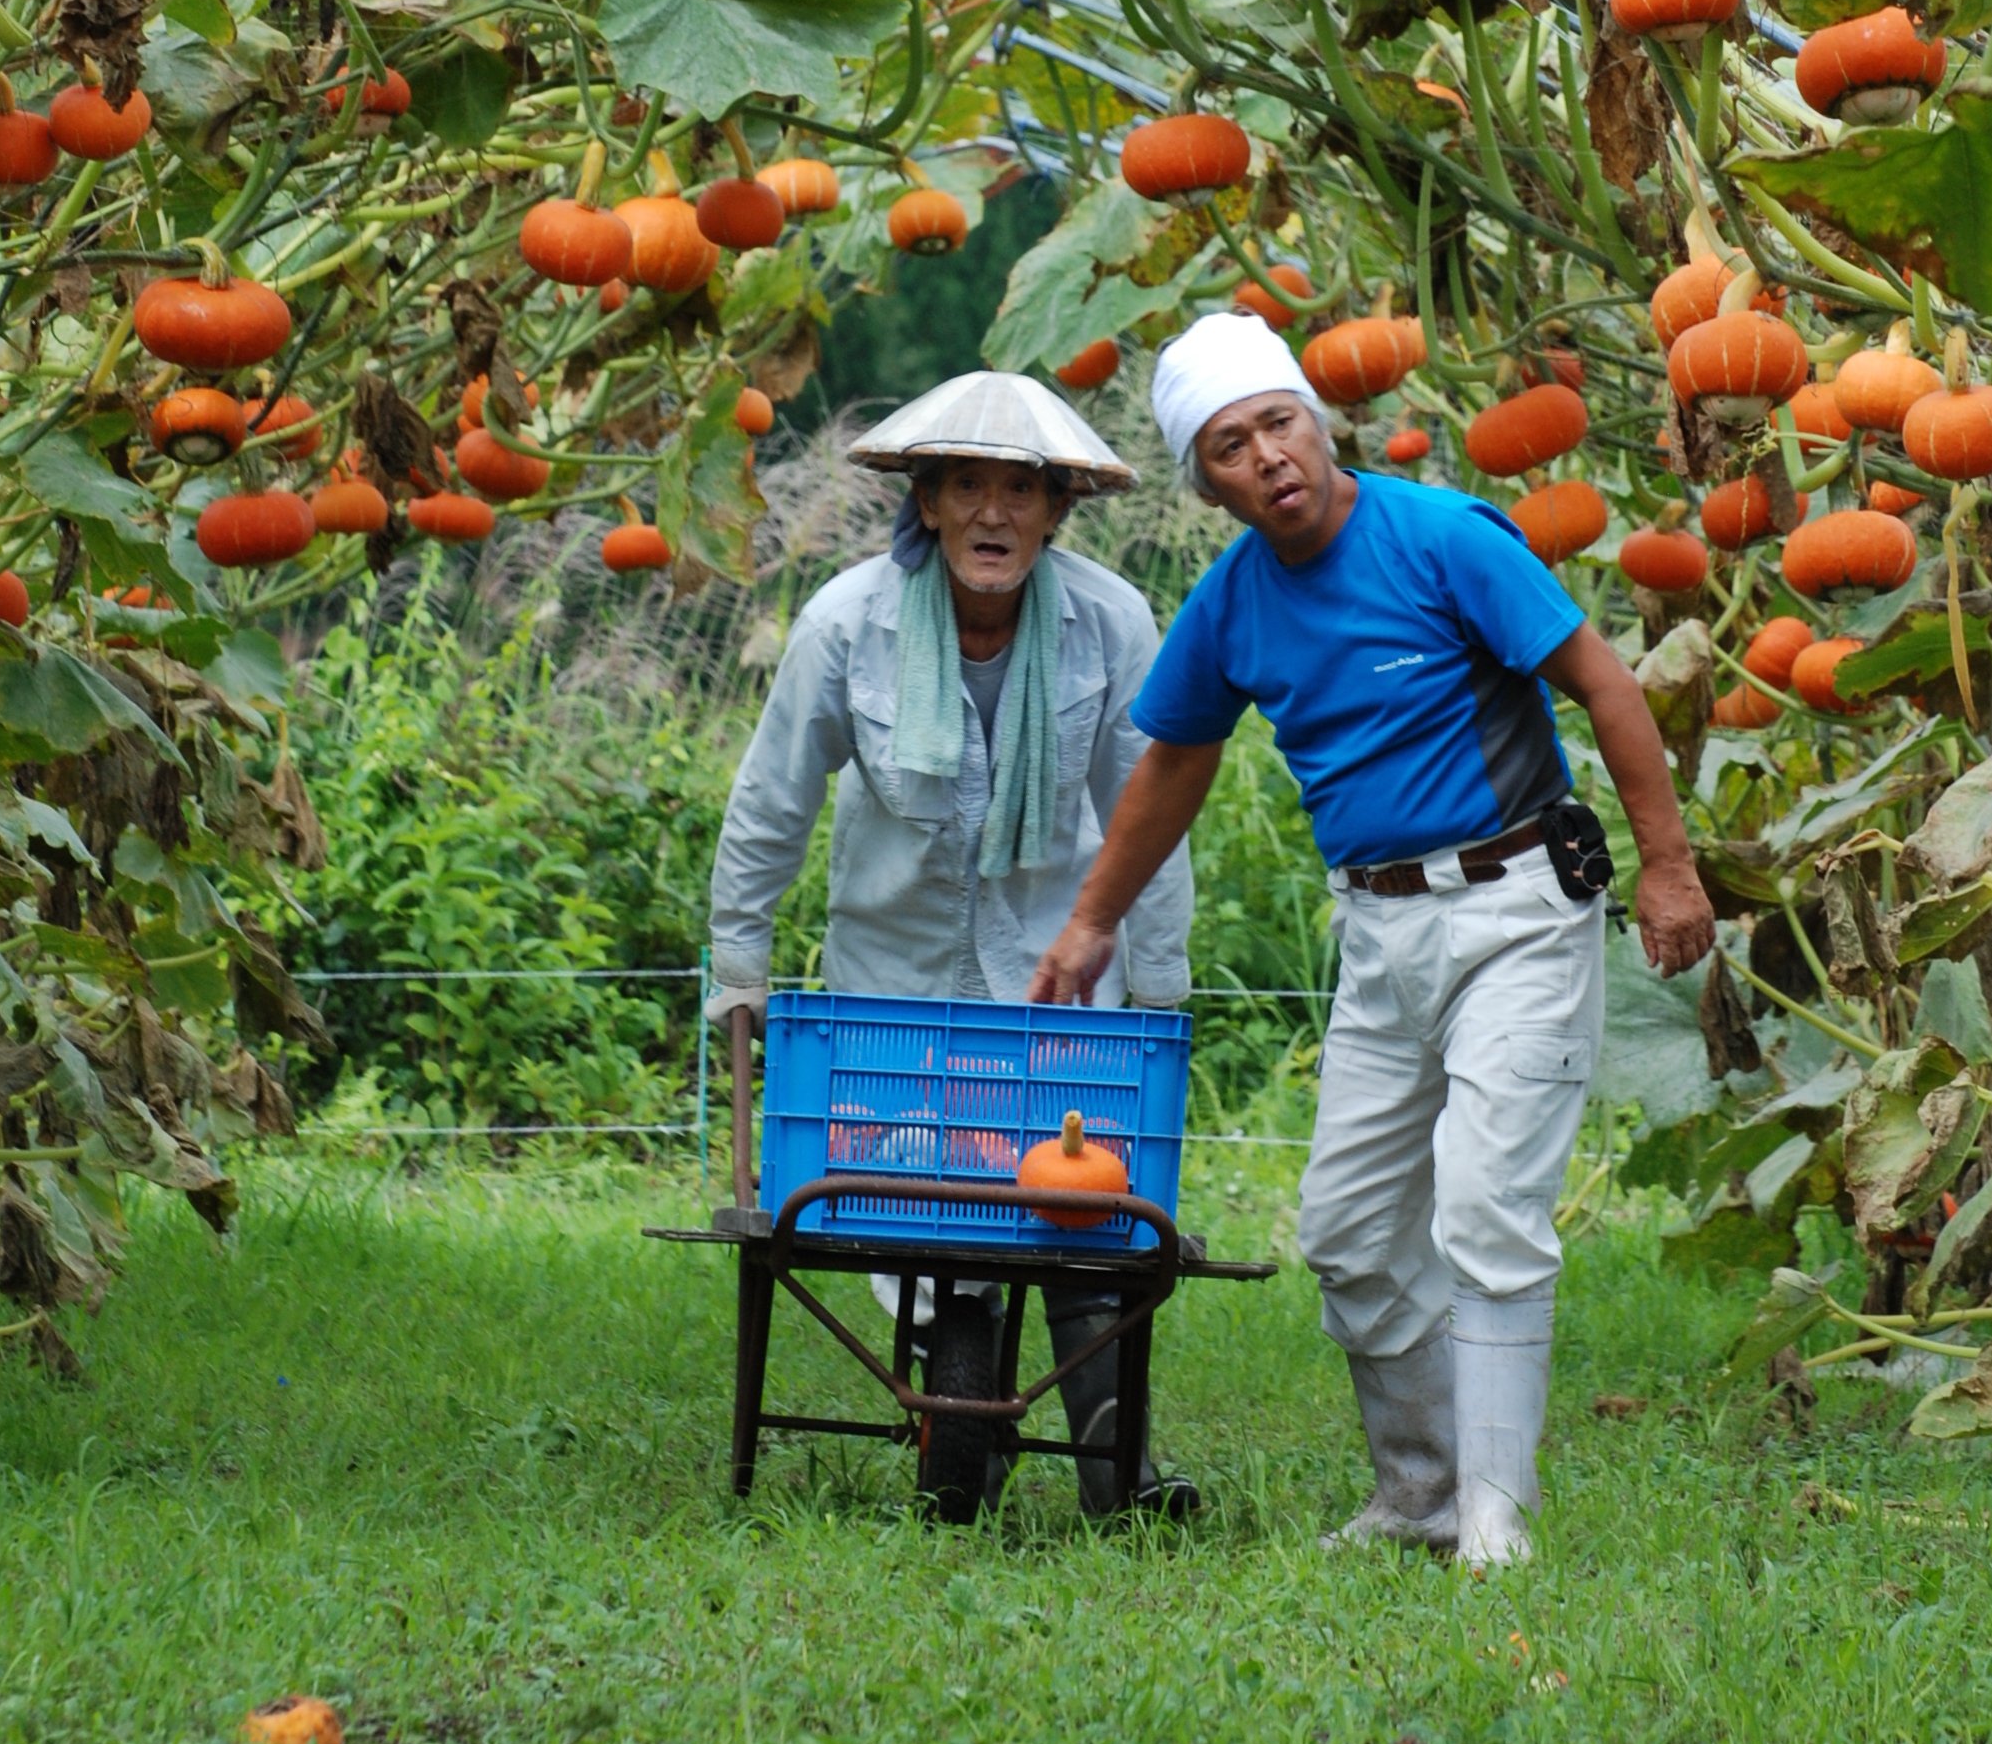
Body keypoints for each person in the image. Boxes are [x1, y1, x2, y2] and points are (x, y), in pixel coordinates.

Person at [1029, 312, 1715, 1570]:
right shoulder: (1234, 601)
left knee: (1488, 1204)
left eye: (1279, 422)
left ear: (1318, 418)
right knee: (1347, 1227)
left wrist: (1668, 865)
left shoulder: (1441, 536)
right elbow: (1173, 760)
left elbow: (1605, 683)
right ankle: (1420, 1492)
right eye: (1230, 446)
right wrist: (1091, 921)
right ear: (1207, 481)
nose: (1269, 457)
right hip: (1379, 930)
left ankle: (1497, 1522)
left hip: (1516, 904)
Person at [709, 369, 1195, 1517]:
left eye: (1020, 489)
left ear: (1057, 507)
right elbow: (771, 803)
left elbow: (1150, 813)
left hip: (1058, 977)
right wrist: (740, 970)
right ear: (924, 500)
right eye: (965, 485)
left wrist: (1160, 993)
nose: (993, 514)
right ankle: (957, 1399)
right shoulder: (849, 623)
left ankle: (1113, 1459)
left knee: (1082, 1202)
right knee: (920, 1197)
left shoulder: (1112, 622)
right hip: (897, 981)